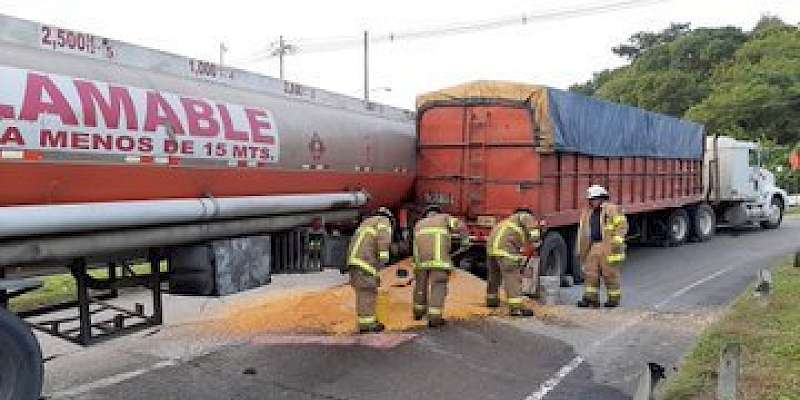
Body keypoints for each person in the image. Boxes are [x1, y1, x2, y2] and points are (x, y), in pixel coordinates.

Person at [412, 205, 470, 327]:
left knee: (420, 286)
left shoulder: (418, 224)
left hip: (421, 261)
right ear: (437, 213)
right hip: (439, 261)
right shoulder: (444, 218)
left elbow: (415, 248)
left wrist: (417, 265)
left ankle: (418, 312)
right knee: (438, 285)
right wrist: (464, 241)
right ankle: (434, 317)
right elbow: (461, 225)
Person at [575, 185, 628, 308]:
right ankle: (591, 299)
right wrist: (581, 250)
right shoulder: (588, 212)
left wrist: (616, 242)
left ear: (601, 198)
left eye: (593, 199)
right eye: (590, 199)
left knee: (610, 274)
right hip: (594, 246)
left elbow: (622, 225)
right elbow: (583, 232)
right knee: (591, 273)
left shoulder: (611, 209)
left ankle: (613, 299)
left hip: (608, 247)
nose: (591, 202)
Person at [347, 207, 394, 333]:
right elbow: (383, 237)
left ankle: (367, 322)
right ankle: (367, 324)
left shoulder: (366, 223)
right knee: (367, 292)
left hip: (355, 261)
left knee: (365, 292)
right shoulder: (383, 221)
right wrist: (384, 257)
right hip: (365, 261)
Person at [486, 209, 541, 316]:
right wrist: (536, 241)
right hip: (505, 250)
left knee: (494, 275)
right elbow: (533, 233)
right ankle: (516, 308)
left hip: (491, 250)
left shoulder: (506, 222)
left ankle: (491, 299)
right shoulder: (525, 216)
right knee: (512, 277)